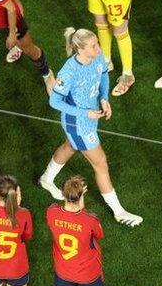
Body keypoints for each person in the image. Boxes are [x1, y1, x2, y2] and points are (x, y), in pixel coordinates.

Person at [38, 27, 142, 227]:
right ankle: (119, 212)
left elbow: (103, 75)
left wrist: (104, 98)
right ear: (80, 49)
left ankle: (46, 179)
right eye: (94, 46)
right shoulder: (69, 72)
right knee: (100, 163)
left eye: (97, 43)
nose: (99, 48)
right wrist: (85, 113)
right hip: (78, 123)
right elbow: (55, 101)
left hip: (91, 115)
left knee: (71, 146)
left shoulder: (98, 56)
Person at [47, 175, 106, 286]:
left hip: (63, 271)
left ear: (62, 194)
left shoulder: (51, 212)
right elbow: (98, 235)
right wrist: (81, 202)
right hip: (88, 272)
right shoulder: (90, 219)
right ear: (81, 195)